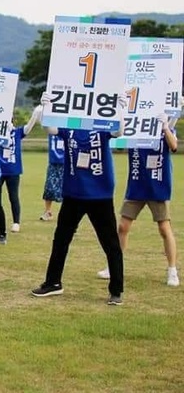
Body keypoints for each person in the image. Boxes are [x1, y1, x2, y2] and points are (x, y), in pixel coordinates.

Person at [32, 92, 126, 305]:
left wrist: (120, 109)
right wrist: (47, 107)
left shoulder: (101, 127)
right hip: (73, 193)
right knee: (61, 239)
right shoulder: (71, 127)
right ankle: (53, 283)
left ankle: (116, 290)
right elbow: (51, 129)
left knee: (110, 242)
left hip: (99, 194)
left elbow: (118, 131)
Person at [96, 113, 179, 287]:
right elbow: (117, 144)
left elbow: (174, 146)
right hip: (136, 185)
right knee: (123, 226)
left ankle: (172, 270)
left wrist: (165, 127)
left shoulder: (162, 125)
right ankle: (114, 266)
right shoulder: (134, 127)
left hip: (157, 185)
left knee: (164, 228)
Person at [0, 106, 42, 232]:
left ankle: (16, 222)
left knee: (13, 196)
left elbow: (28, 128)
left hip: (13, 170)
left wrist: (35, 115)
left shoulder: (17, 132)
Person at [39, 133, 65, 221]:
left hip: (67, 163)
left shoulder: (68, 129)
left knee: (66, 189)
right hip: (53, 163)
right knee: (49, 188)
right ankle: (48, 211)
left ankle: (66, 213)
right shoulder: (52, 130)